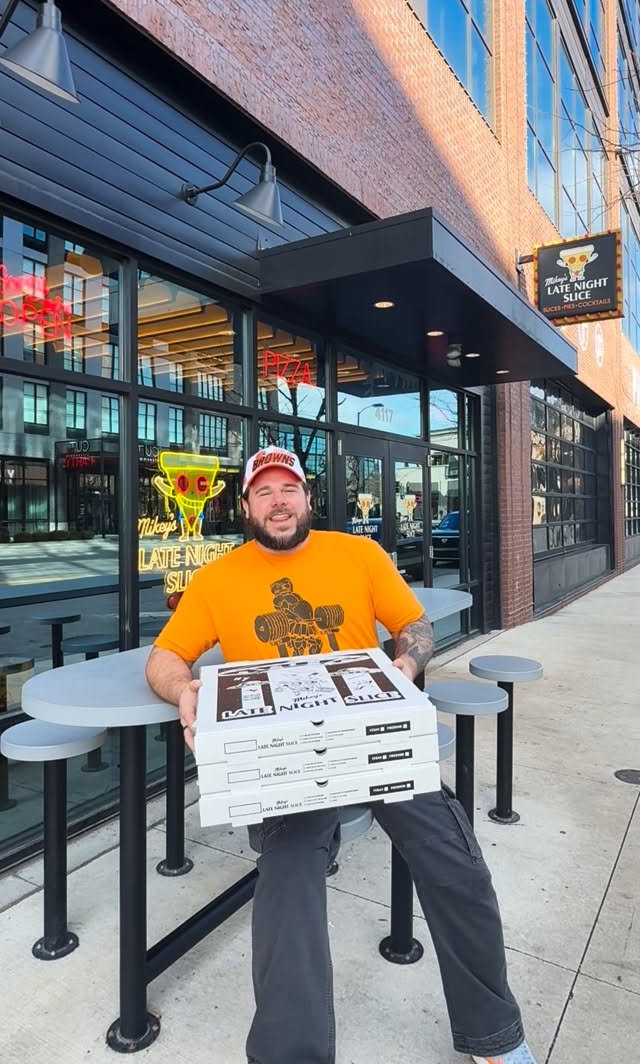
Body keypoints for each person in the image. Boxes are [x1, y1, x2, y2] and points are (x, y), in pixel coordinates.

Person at [147, 443, 537, 1064]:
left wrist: (407, 663)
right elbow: (166, 655)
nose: (279, 502)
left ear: (307, 497)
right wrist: (183, 692)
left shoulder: (359, 554)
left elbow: (413, 625)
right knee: (288, 879)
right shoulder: (218, 578)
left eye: (289, 489)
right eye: (264, 492)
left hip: (373, 742)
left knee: (454, 857)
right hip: (287, 758)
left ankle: (495, 1038)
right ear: (246, 507)